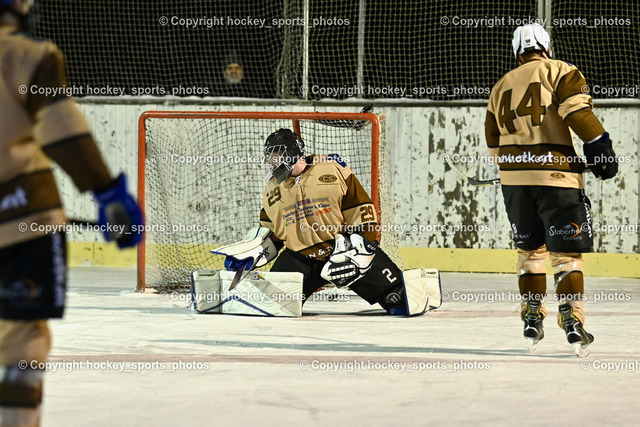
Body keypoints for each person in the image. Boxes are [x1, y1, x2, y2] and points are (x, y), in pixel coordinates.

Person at [0, 1, 143, 425]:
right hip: (21, 222)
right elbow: (62, 129)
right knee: (20, 343)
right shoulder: (26, 55)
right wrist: (107, 193)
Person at [485, 24, 618, 357]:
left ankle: (532, 315)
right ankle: (572, 319)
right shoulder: (559, 70)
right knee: (566, 256)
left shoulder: (500, 85)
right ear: (546, 46)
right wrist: (600, 147)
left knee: (531, 254)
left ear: (517, 52)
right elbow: (576, 111)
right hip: (557, 180)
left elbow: (493, 143)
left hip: (515, 184)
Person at [222, 128, 440, 316]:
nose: (272, 161)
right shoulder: (272, 188)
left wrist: (362, 251)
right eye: (271, 156)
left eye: (276, 154)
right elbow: (272, 233)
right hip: (300, 258)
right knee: (271, 305)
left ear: (292, 152)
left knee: (400, 299)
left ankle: (422, 286)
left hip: (342, 251)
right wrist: (251, 253)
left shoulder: (331, 167)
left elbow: (362, 211)